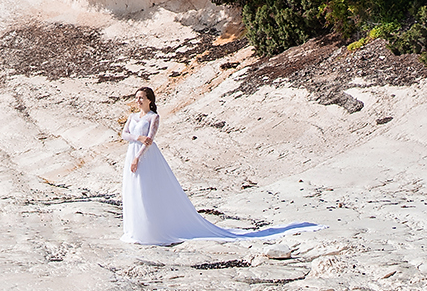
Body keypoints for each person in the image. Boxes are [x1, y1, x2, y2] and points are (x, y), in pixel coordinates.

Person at [121, 86, 319, 245]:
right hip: (132, 151)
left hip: (144, 156)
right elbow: (124, 134)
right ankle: (136, 229)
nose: (138, 100)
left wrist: (138, 157)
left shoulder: (153, 117)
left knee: (146, 190)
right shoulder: (133, 117)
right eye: (137, 97)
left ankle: (150, 230)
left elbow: (150, 140)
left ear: (150, 100)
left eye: (141, 97)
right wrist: (137, 137)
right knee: (133, 190)